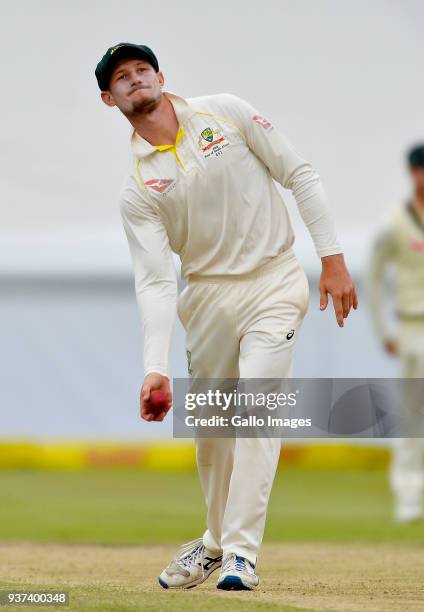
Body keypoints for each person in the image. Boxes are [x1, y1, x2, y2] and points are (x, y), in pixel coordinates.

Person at [95, 42, 358, 590]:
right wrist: (155, 367)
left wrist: (332, 260)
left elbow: (299, 174)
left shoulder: (226, 112)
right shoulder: (136, 189)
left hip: (274, 280)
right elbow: (155, 280)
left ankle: (240, 554)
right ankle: (214, 543)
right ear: (109, 98)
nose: (136, 79)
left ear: (161, 76)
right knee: (213, 429)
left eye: (143, 69)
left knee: (259, 408)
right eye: (123, 77)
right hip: (207, 297)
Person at [368, 144, 424, 523]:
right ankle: (408, 494)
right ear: (412, 172)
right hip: (412, 326)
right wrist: (383, 329)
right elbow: (373, 277)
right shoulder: (395, 221)